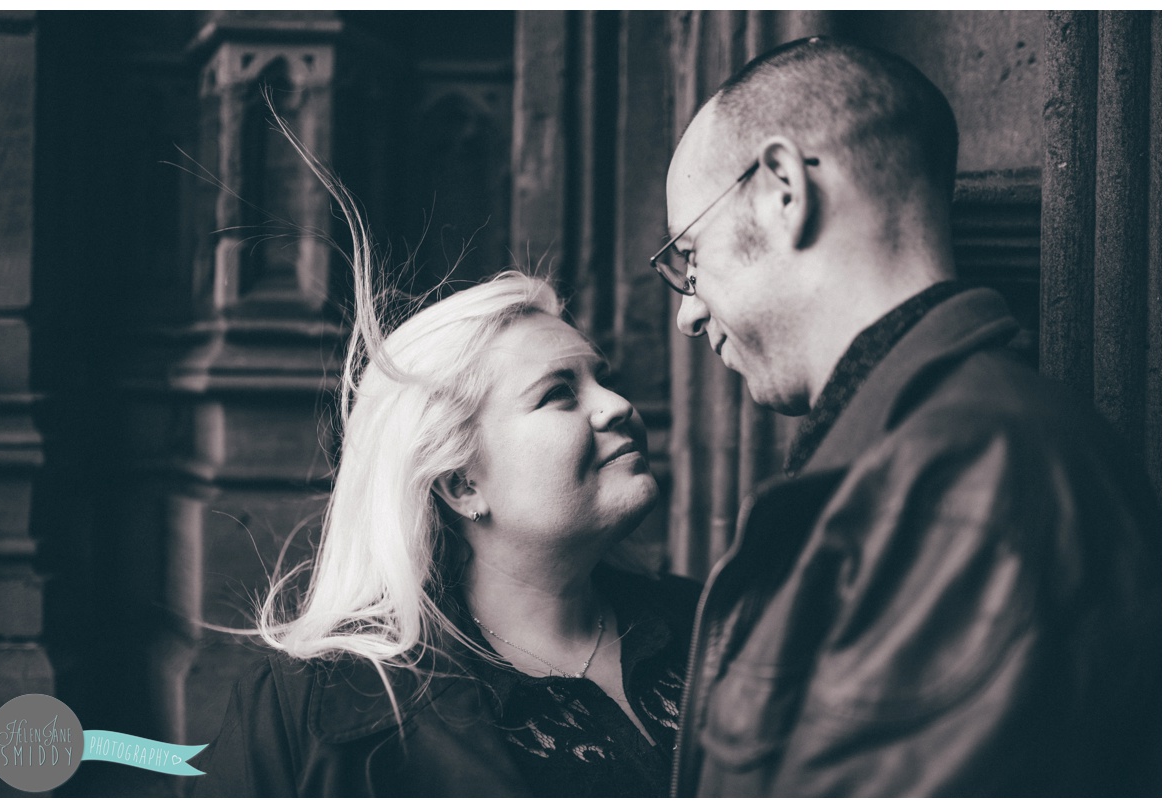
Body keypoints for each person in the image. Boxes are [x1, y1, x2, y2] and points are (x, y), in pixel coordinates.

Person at [656, 37, 1160, 797]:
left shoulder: (973, 483)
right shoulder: (924, 453)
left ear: (783, 189)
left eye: (689, 258)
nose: (687, 314)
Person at [189, 122, 699, 797]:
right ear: (461, 483)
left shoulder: (716, 628)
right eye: (558, 394)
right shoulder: (313, 711)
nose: (615, 406)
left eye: (602, 378)